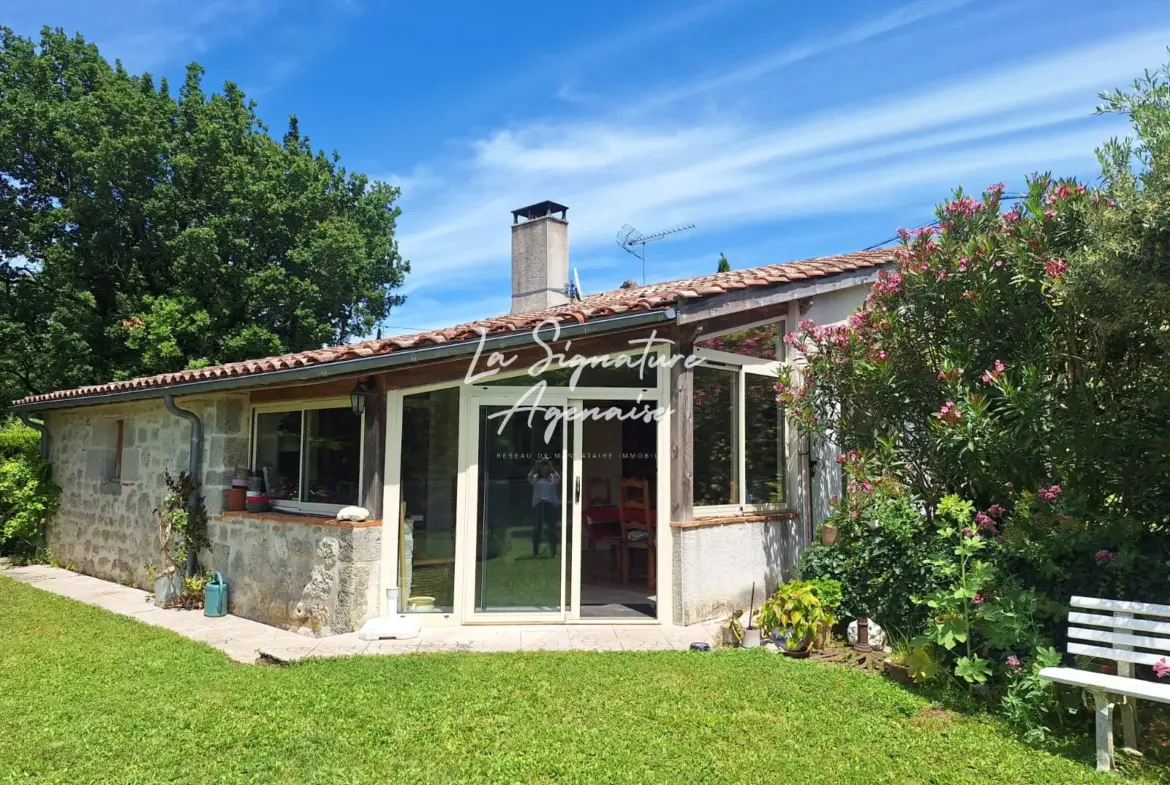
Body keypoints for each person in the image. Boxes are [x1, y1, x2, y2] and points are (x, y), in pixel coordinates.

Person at [528, 456, 562, 557]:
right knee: (538, 528)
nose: (544, 468)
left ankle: (553, 552)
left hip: (550, 504)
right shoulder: (536, 478)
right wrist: (535, 467)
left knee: (552, 528)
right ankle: (535, 552)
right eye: (542, 466)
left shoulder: (552, 478)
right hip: (539, 504)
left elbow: (558, 479)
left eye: (545, 466)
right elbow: (529, 478)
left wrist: (552, 468)